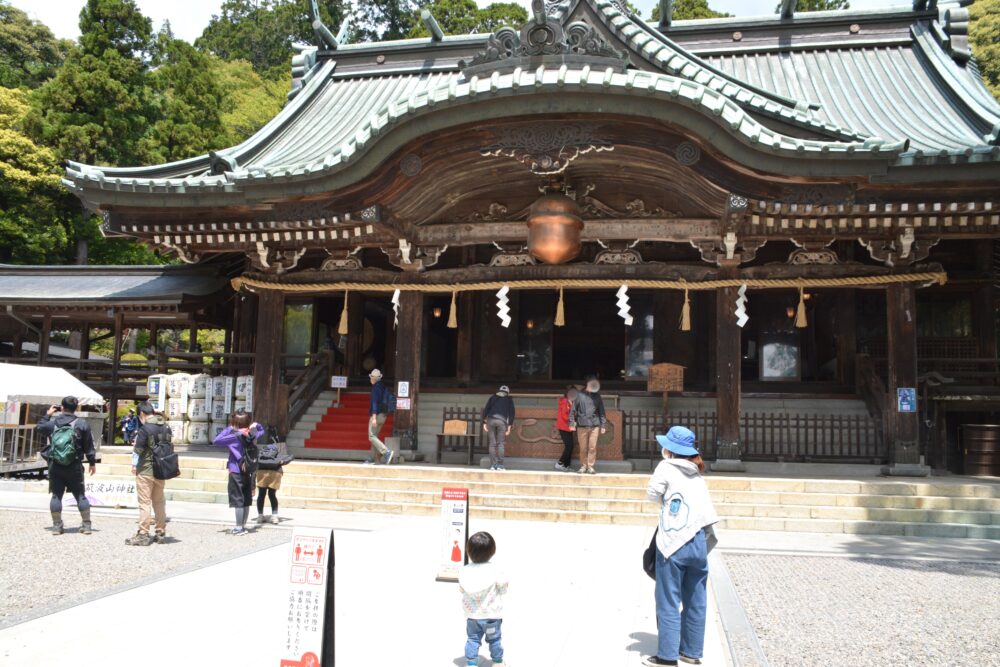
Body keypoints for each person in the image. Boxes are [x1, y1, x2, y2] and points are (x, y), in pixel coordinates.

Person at [643, 426, 719, 667]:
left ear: (671, 449)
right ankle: (692, 651)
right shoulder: (697, 473)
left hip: (674, 542)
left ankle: (667, 656)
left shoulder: (666, 467)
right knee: (697, 598)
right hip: (698, 541)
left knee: (668, 599)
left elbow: (653, 494)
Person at [37, 396, 96, 535]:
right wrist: (92, 462)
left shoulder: (53, 423)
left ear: (62, 407)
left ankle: (57, 526)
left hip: (55, 465)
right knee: (80, 495)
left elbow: (39, 428)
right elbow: (89, 445)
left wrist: (48, 414)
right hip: (74, 464)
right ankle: (86, 525)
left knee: (56, 495)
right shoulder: (82, 424)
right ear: (76, 408)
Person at [459, 531, 509, 667]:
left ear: (469, 551)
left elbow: (461, 589)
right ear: (492, 551)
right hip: (492, 615)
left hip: (473, 616)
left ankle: (471, 663)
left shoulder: (464, 570)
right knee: (495, 639)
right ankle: (497, 661)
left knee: (473, 639)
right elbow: (503, 587)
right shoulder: (496, 569)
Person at [125, 402, 170, 546]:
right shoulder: (166, 426)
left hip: (146, 469)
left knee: (144, 502)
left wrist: (134, 464)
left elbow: (138, 450)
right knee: (159, 501)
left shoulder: (145, 428)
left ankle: (143, 533)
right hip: (162, 469)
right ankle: (160, 531)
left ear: (142, 414)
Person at [213, 409, 263, 535]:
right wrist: (255, 425)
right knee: (246, 498)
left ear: (235, 422)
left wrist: (230, 428)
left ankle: (239, 527)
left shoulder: (233, 436)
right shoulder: (252, 434)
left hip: (236, 469)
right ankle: (244, 525)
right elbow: (261, 430)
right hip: (248, 469)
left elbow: (216, 440)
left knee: (237, 499)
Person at [568, 376, 606, 474]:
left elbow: (601, 411)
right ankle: (583, 466)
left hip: (594, 425)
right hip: (582, 425)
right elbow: (572, 410)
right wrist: (571, 423)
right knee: (583, 447)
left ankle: (590, 466)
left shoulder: (597, 396)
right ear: (588, 384)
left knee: (592, 447)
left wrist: (603, 425)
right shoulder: (579, 395)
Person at [482, 385, 515, 471]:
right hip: (502, 421)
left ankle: (493, 465)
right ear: (508, 392)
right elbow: (511, 413)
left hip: (491, 420)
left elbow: (486, 410)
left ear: (499, 391)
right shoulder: (509, 399)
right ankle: (500, 465)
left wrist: (484, 422)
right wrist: (509, 426)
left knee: (492, 443)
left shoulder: (492, 397)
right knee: (500, 443)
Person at [255, 441, 286, 525]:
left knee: (261, 494)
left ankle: (260, 516)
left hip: (261, 471)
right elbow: (287, 458)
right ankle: (274, 516)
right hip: (275, 472)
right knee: (272, 495)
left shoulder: (262, 451)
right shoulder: (278, 450)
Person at [367, 369, 394, 465]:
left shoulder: (375, 388)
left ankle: (386, 452)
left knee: (371, 436)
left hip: (377, 415)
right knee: (375, 436)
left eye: (370, 378)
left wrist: (373, 417)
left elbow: (375, 403)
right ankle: (373, 459)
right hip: (384, 415)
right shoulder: (383, 386)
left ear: (373, 379)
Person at [554, 386, 578, 472]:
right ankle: (560, 463)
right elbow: (565, 415)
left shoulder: (570, 401)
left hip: (568, 427)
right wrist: (573, 420)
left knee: (570, 446)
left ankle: (566, 465)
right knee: (569, 446)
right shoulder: (565, 401)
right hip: (564, 426)